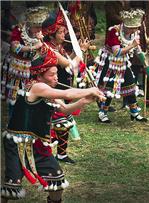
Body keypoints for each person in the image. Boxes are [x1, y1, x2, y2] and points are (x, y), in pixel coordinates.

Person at [1, 49, 105, 203]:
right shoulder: (36, 87)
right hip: (17, 143)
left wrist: (83, 101)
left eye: (56, 73)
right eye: (51, 74)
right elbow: (67, 94)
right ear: (39, 75)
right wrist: (89, 90)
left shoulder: (48, 91)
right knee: (10, 188)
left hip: (37, 144)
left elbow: (64, 109)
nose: (56, 77)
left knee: (57, 182)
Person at [42, 10, 89, 164]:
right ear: (51, 34)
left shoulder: (58, 47)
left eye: (64, 31)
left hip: (63, 91)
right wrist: (81, 51)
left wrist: (80, 51)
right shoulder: (50, 50)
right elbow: (71, 64)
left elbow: (72, 67)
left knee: (64, 124)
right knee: (52, 125)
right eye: (61, 32)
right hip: (52, 92)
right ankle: (44, 157)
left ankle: (61, 155)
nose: (64, 35)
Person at [94, 9, 147, 123]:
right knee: (109, 88)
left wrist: (144, 58)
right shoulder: (115, 31)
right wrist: (132, 45)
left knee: (130, 84)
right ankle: (102, 113)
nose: (134, 30)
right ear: (126, 25)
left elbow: (137, 49)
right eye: (132, 28)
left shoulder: (134, 32)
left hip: (123, 62)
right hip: (110, 61)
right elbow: (116, 52)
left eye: (136, 27)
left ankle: (134, 112)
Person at [1, 6, 49, 118]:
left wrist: (41, 43)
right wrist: (33, 47)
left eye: (40, 27)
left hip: (32, 67)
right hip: (16, 66)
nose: (38, 30)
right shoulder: (19, 30)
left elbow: (42, 52)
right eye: (36, 27)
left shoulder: (41, 34)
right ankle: (12, 120)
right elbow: (15, 47)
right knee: (14, 95)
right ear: (30, 24)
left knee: (28, 94)